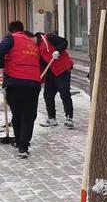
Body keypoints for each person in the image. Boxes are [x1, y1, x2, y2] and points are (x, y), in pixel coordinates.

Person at [0, 21, 41, 158]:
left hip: (15, 82)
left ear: (11, 31)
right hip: (33, 83)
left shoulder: (11, 38)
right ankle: (23, 146)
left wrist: (1, 67)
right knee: (28, 116)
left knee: (17, 114)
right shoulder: (32, 43)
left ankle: (19, 142)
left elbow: (1, 50)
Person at [34, 31, 74, 129]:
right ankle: (52, 119)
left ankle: (69, 118)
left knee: (64, 93)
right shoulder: (36, 47)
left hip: (62, 69)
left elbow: (64, 42)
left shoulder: (49, 37)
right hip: (50, 73)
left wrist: (58, 50)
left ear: (33, 37)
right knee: (48, 95)